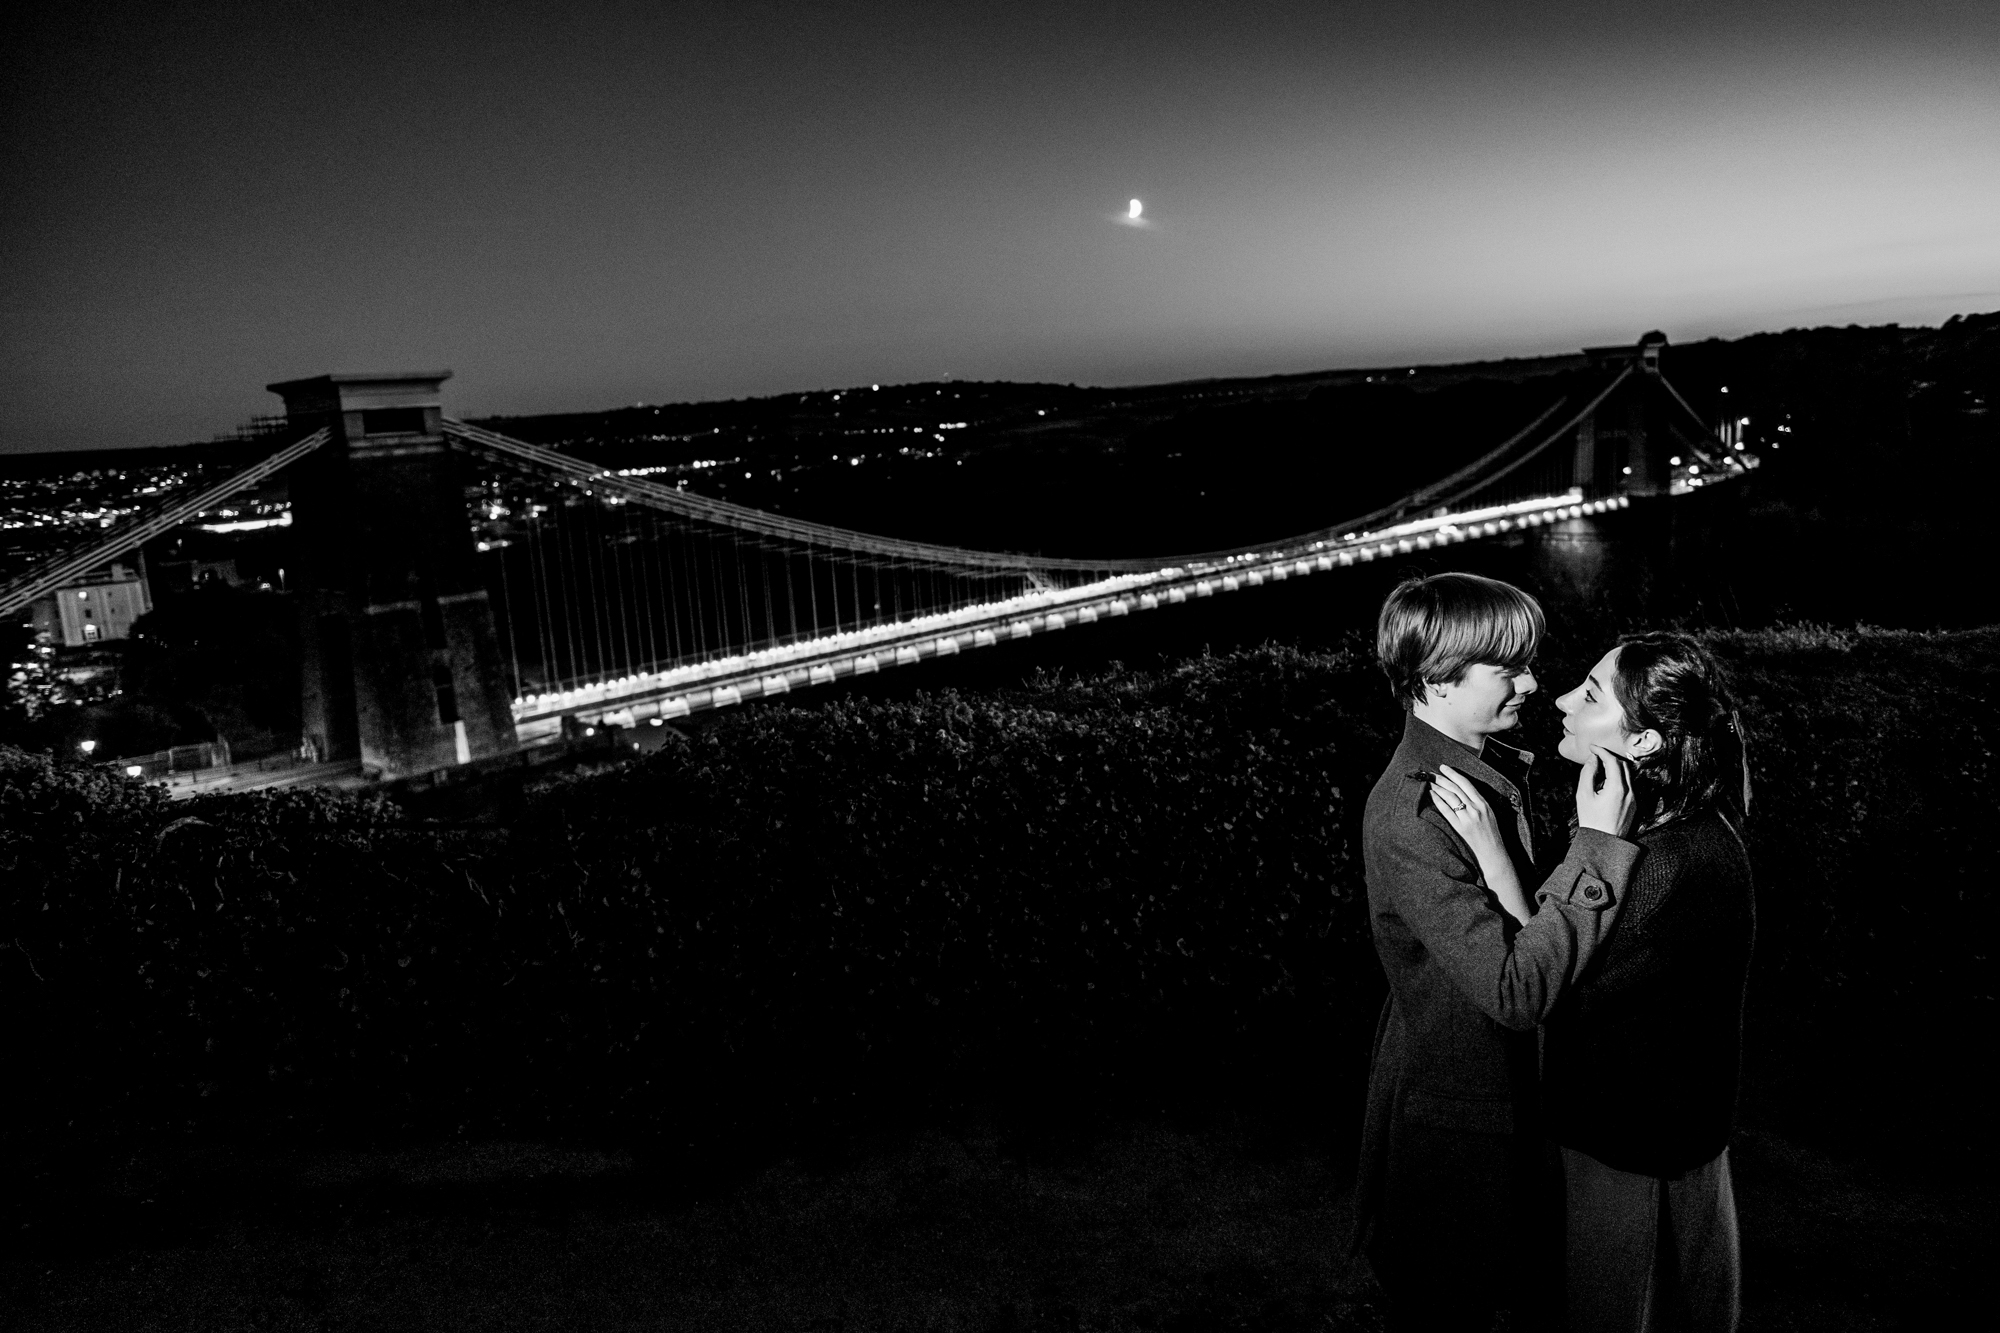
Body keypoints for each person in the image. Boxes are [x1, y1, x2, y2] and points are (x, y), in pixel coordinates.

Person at [1435, 632, 1754, 1331]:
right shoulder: (1683, 828)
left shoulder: (1662, 865)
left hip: (1633, 1150)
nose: (1557, 699)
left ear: (1641, 744)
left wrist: (1499, 856)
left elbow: (1546, 982)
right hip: (1656, 1140)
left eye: (1588, 696)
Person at [1355, 572, 1642, 1331]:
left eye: (1529, 660)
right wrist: (1600, 847)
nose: (1532, 681)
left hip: (1494, 1095)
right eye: (1507, 666)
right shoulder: (1418, 811)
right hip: (1464, 1115)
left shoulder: (1474, 772)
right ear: (1433, 681)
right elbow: (1516, 990)